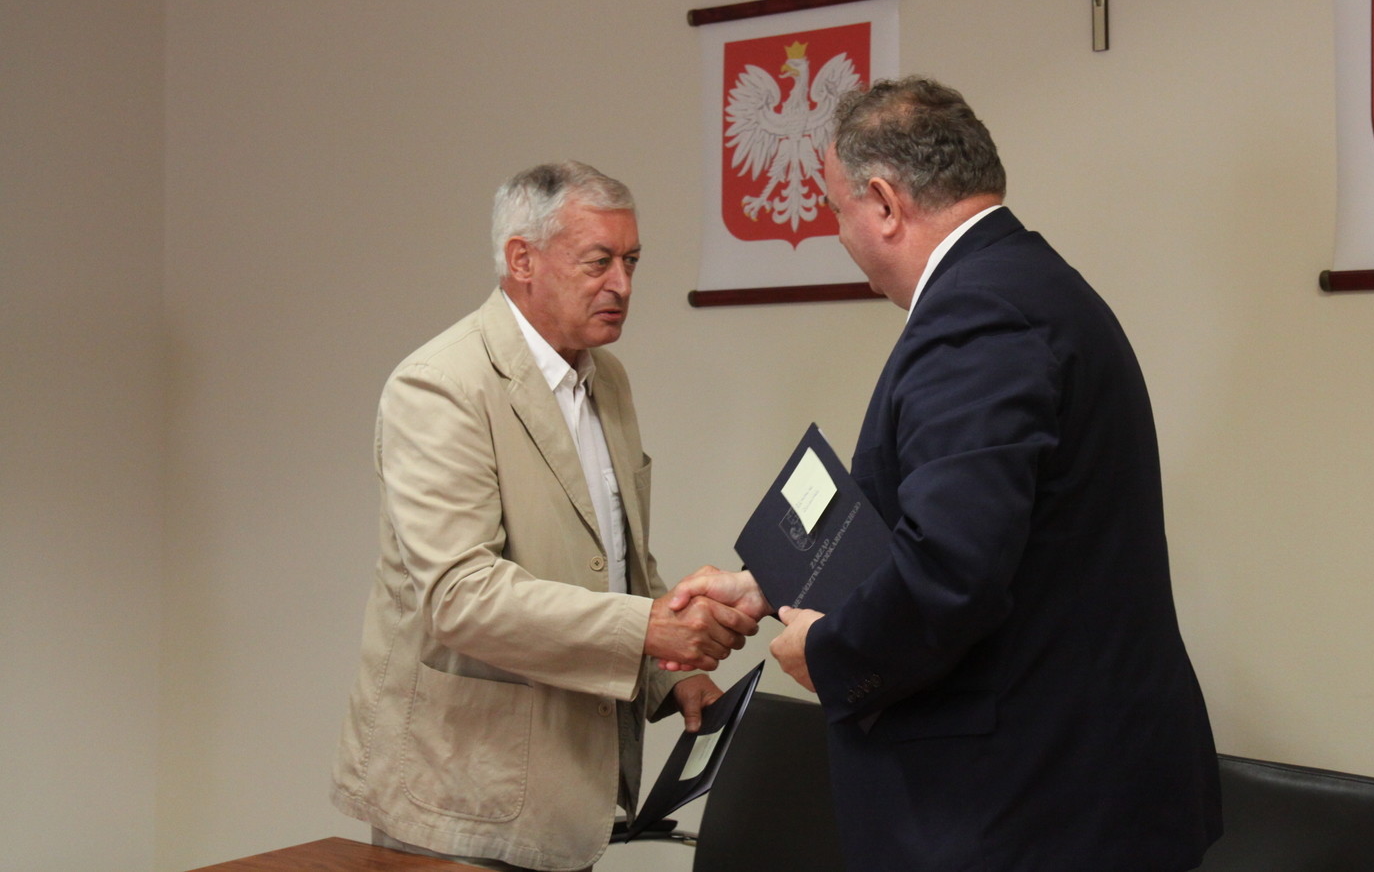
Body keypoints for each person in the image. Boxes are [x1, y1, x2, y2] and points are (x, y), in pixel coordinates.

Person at [677, 77, 1223, 871]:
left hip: (1024, 810)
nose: (836, 231)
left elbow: (950, 568)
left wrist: (830, 652)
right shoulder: (1026, 286)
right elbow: (939, 521)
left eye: (835, 208)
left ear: (884, 203)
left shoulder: (978, 315)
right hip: (1063, 792)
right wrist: (769, 584)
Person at [331, 161, 758, 872]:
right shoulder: (440, 385)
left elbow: (618, 560)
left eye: (631, 261)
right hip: (461, 797)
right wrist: (648, 629)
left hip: (565, 790)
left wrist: (670, 671)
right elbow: (461, 597)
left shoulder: (606, 379)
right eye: (599, 262)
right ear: (521, 260)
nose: (622, 285)